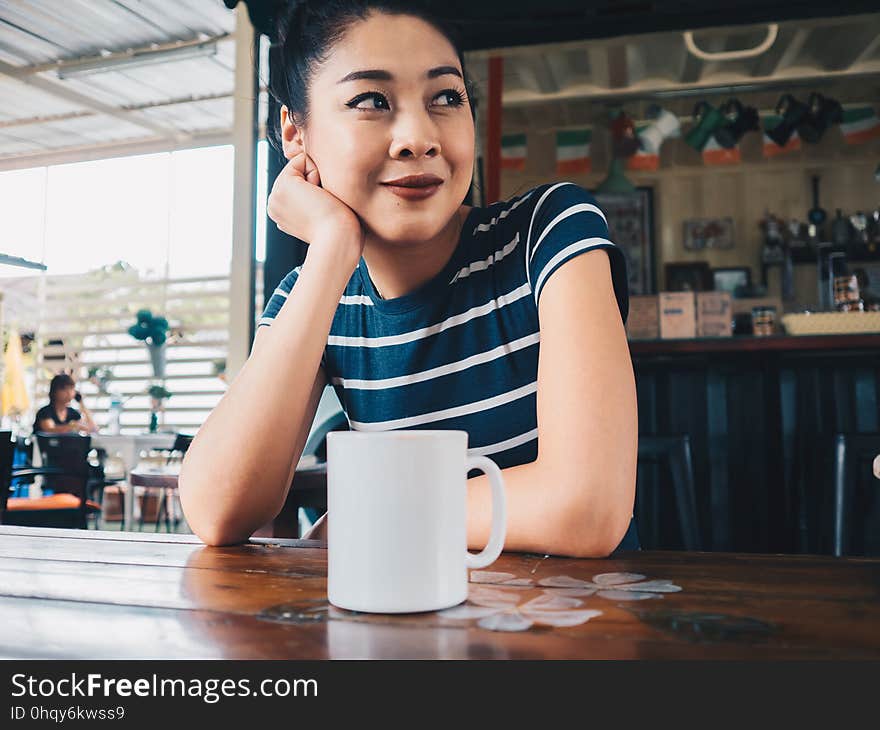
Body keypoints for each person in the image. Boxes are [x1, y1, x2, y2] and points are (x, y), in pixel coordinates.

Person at [180, 0, 638, 557]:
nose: (419, 137)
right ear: (296, 135)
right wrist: (330, 250)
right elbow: (218, 510)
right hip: (403, 630)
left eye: (446, 96)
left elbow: (586, 508)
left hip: (570, 630)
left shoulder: (549, 233)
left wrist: (366, 515)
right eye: (371, 100)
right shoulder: (315, 296)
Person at [33, 373, 97, 435]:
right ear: (54, 391)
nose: (69, 392)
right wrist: (72, 426)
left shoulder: (73, 413)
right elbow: (50, 430)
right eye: (64, 388)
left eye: (71, 388)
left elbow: (93, 429)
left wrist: (81, 403)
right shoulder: (45, 412)